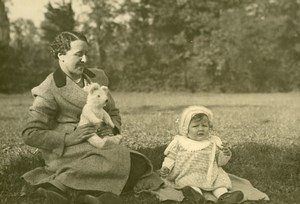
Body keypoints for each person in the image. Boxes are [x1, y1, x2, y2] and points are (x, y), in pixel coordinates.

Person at [21, 31, 162, 204]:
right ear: (61, 55)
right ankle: (72, 191)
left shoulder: (97, 76)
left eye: (86, 54)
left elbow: (113, 111)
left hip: (100, 142)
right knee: (121, 164)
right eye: (78, 54)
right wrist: (69, 138)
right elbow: (30, 133)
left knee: (138, 163)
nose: (85, 60)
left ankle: (75, 191)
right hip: (70, 150)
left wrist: (111, 128)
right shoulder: (49, 87)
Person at [160, 106, 244, 204]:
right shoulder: (180, 143)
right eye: (195, 126)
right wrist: (166, 167)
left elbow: (219, 162)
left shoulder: (212, 143)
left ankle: (224, 197)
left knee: (220, 183)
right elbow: (171, 157)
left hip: (210, 173)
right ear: (186, 129)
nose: (201, 129)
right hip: (188, 173)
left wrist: (225, 154)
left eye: (204, 125)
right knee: (190, 185)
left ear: (209, 127)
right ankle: (197, 198)